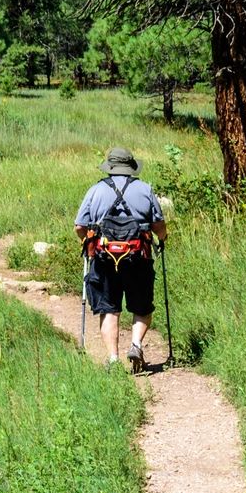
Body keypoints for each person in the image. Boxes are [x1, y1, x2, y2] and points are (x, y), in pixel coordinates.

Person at [74, 146, 167, 373]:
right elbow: (158, 226)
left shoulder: (96, 190)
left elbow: (79, 226)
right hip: (138, 257)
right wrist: (162, 239)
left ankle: (114, 359)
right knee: (142, 306)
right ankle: (135, 345)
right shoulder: (145, 189)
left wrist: (87, 243)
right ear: (130, 167)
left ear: (110, 167)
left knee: (109, 308)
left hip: (104, 257)